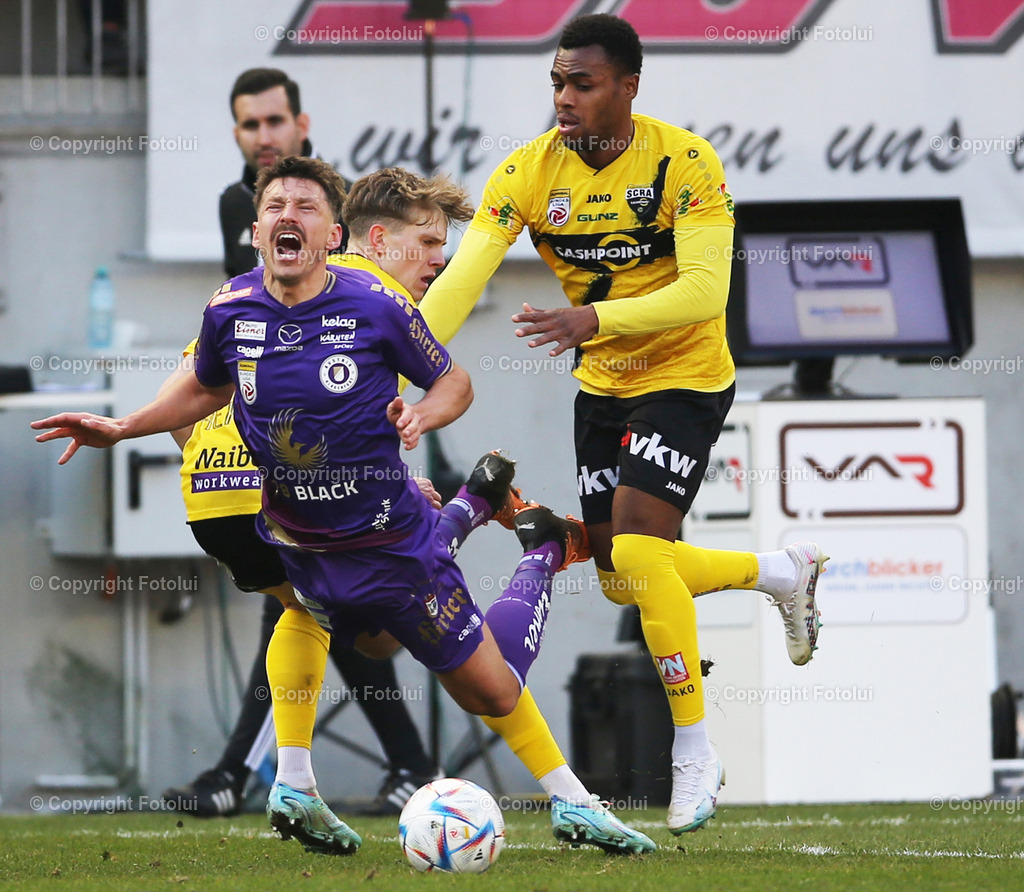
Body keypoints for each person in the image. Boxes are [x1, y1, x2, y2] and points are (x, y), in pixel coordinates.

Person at [33, 157, 655, 857]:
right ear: (257, 227)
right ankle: (299, 782)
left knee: (491, 692)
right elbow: (201, 389)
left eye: (305, 206)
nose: (287, 216)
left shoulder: (374, 305)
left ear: (333, 234)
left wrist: (422, 416)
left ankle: (534, 561)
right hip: (300, 540)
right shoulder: (230, 308)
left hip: (393, 549)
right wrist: (122, 428)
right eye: (275, 205)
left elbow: (454, 380)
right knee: (311, 609)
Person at [415, 13, 828, 835]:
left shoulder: (684, 161)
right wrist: (404, 361)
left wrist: (593, 319)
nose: (564, 98)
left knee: (640, 551)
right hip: (602, 387)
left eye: (583, 83)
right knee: (618, 572)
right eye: (557, 83)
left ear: (628, 87)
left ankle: (695, 753)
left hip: (685, 377)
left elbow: (708, 291)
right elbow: (463, 278)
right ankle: (781, 571)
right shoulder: (526, 174)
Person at [160, 68, 436, 819]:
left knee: (315, 606)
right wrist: (194, 421)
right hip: (265, 427)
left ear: (301, 123)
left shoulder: (330, 203)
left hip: (342, 429)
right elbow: (229, 331)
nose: (264, 138)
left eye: (275, 123)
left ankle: (242, 776)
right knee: (312, 606)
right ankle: (402, 765)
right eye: (250, 126)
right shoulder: (237, 208)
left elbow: (379, 307)